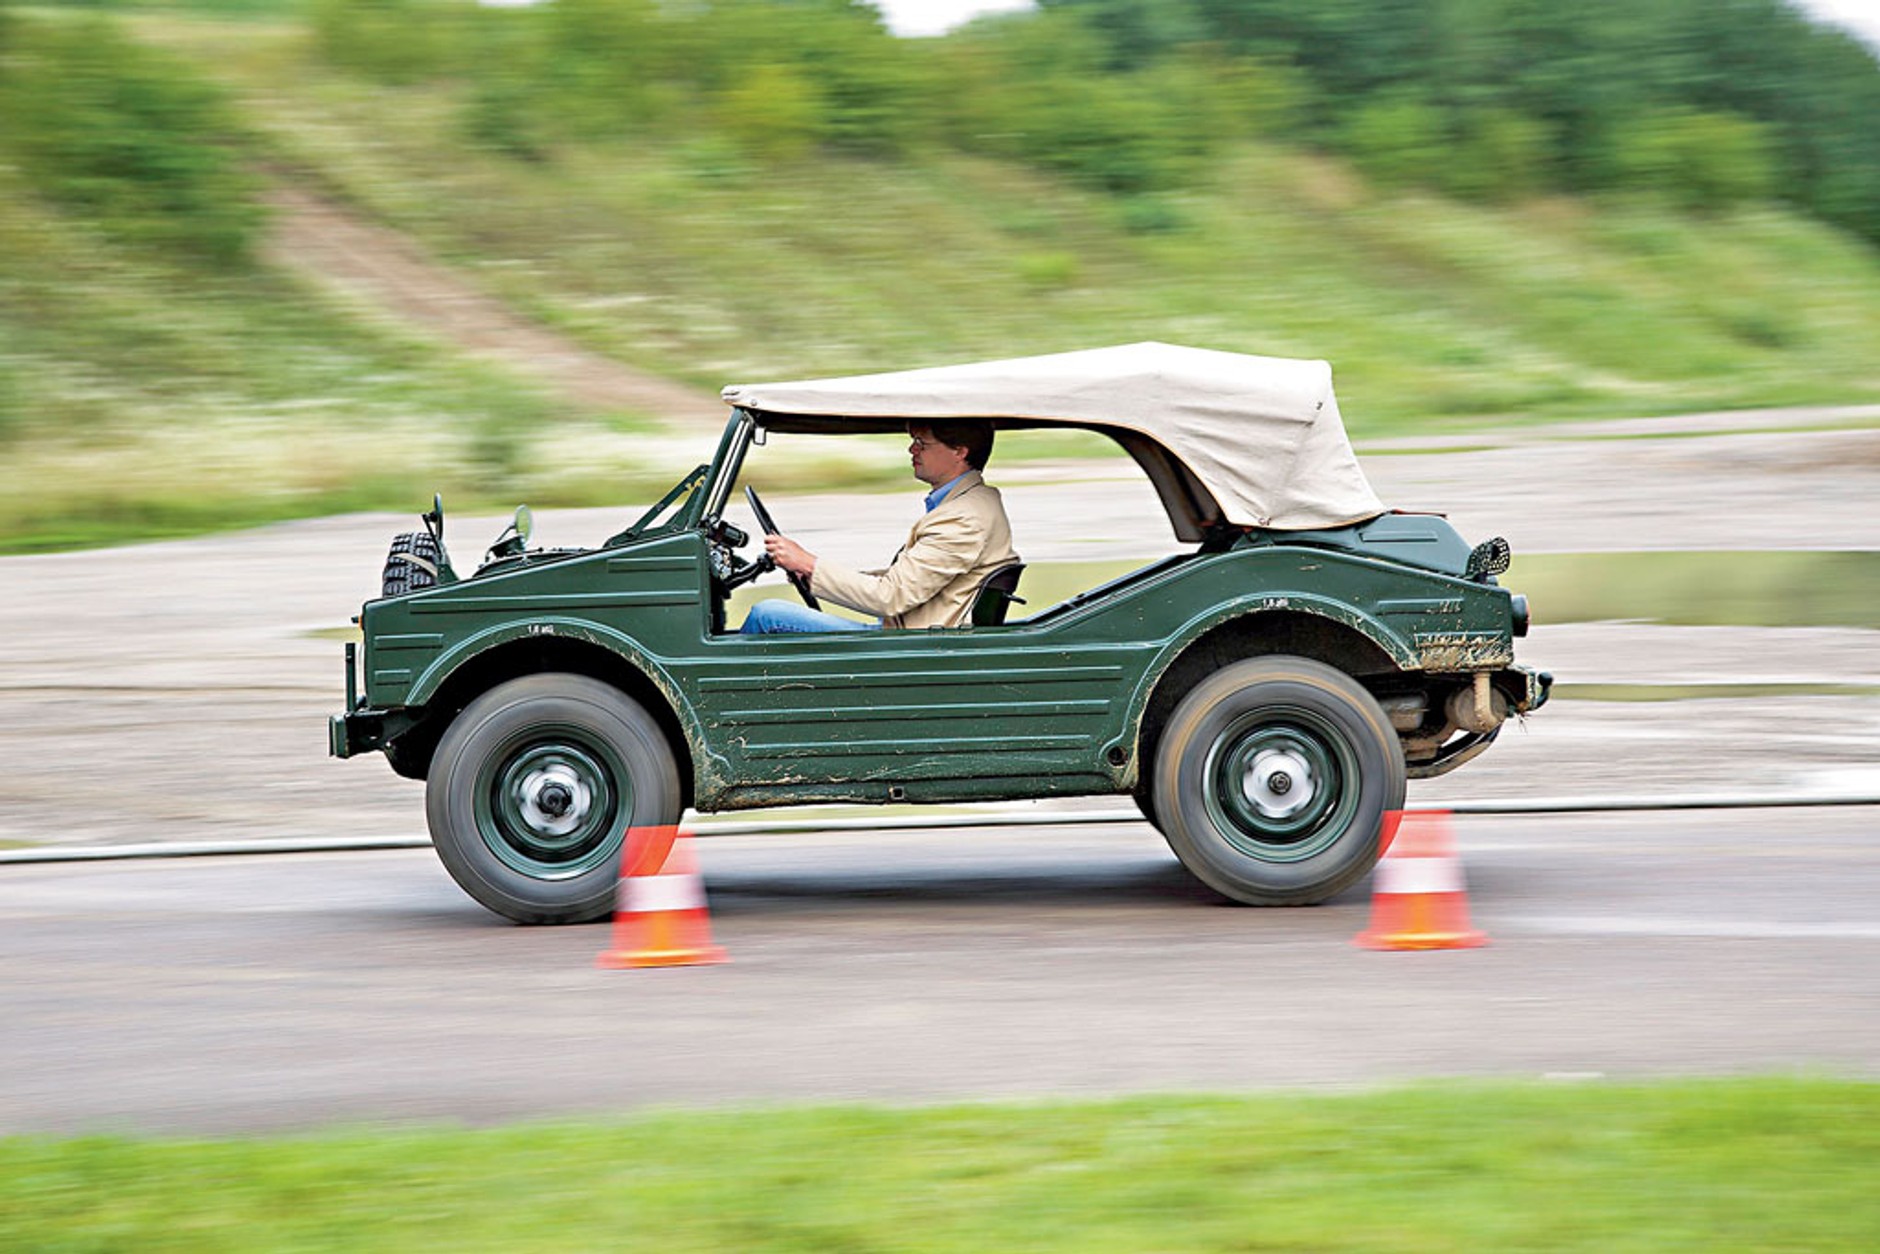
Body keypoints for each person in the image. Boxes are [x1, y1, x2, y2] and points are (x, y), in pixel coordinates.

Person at [740, 420, 1018, 633]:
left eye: (922, 442)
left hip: (912, 651)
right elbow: (906, 579)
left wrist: (811, 564)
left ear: (959, 451)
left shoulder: (962, 518)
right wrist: (809, 573)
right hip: (914, 638)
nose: (912, 449)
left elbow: (890, 597)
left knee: (767, 616)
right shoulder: (970, 504)